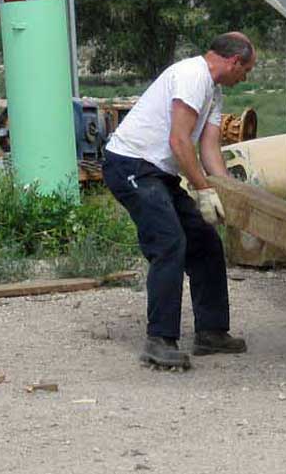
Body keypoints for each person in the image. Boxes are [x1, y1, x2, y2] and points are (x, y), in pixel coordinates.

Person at [103, 32, 255, 369]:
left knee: (205, 242)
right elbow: (178, 141)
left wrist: (229, 194)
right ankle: (159, 340)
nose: (245, 77)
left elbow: (210, 150)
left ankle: (211, 332)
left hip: (157, 173)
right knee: (170, 242)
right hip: (131, 164)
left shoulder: (213, 92)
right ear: (234, 61)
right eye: (246, 70)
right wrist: (202, 190)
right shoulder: (192, 76)